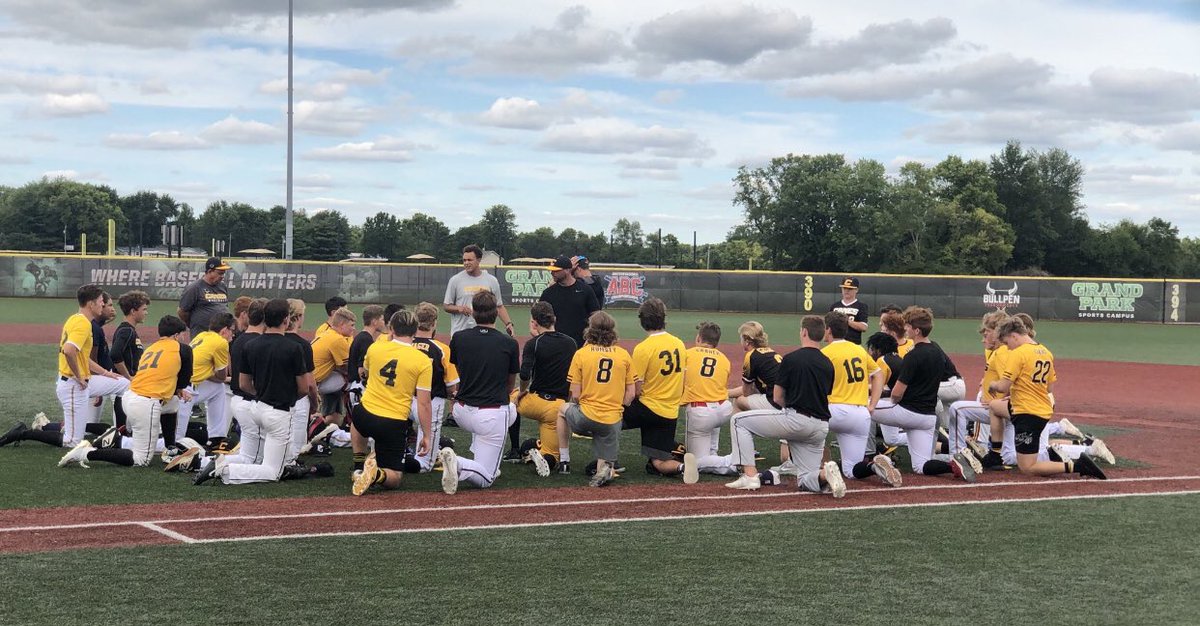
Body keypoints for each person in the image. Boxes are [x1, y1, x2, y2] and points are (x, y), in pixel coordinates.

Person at [725, 315, 844, 498]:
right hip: (821, 427)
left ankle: (749, 476)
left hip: (796, 420)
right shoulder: (828, 363)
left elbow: (778, 397)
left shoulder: (792, 359)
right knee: (805, 480)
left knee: (738, 421)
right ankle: (824, 474)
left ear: (804, 332)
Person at [0, 285, 131, 450]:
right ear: (91, 304)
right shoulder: (83, 323)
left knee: (124, 384)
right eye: (100, 302)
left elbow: (80, 355)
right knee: (73, 442)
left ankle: (125, 430)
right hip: (72, 385)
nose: (102, 305)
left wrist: (106, 373)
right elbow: (69, 350)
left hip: (80, 382)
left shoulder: (77, 319)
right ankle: (23, 433)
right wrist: (78, 375)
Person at [57, 315, 196, 469]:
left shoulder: (153, 347)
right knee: (140, 460)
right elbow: (184, 379)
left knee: (172, 403)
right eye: (183, 334)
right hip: (145, 403)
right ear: (176, 335)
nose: (184, 337)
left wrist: (177, 390)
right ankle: (86, 453)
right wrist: (180, 389)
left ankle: (170, 449)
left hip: (130, 397)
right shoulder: (183, 349)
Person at [195, 298, 308, 485]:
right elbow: (304, 387)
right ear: (286, 320)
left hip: (257, 407)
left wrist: (262, 395)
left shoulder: (250, 344)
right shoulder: (293, 347)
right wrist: (286, 398)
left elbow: (244, 383)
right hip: (279, 410)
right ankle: (223, 469)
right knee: (273, 471)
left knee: (255, 457)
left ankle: (208, 462)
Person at [986, 317, 1107, 479]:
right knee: (995, 406)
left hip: (1027, 413)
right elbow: (1049, 387)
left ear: (1014, 336)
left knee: (1027, 467)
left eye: (1007, 343)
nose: (1008, 348)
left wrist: (992, 385)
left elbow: (1002, 387)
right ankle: (994, 453)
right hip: (1040, 410)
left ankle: (1077, 465)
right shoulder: (1045, 352)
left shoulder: (1018, 353)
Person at [870, 307, 979, 482]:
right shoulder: (936, 349)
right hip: (927, 417)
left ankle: (863, 458)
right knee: (921, 466)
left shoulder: (913, 354)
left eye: (908, 326)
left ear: (917, 330)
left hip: (909, 412)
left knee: (863, 407)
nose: (905, 329)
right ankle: (953, 465)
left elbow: (897, 393)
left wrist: (885, 399)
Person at [439, 290, 521, 494]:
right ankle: (457, 463)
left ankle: (478, 455)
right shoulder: (509, 343)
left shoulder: (459, 337)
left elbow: (458, 371)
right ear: (496, 313)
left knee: (506, 413)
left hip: (462, 412)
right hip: (491, 415)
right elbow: (510, 385)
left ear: (474, 313)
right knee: (487, 478)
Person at [349, 308, 434, 496]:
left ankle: (358, 464)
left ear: (391, 328)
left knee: (357, 419)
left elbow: (367, 373)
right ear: (415, 331)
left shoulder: (375, 347)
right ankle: (376, 475)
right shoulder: (422, 361)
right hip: (392, 422)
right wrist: (427, 435)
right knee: (395, 477)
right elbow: (424, 403)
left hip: (364, 415)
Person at [821, 312, 900, 487]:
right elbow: (878, 374)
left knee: (806, 428)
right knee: (852, 470)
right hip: (860, 414)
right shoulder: (858, 350)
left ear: (828, 330)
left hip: (834, 411)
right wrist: (872, 404)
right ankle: (873, 467)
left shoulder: (825, 353)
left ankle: (817, 470)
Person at [557, 311, 635, 486]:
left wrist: (583, 405)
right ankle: (605, 469)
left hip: (586, 415)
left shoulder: (582, 354)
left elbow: (575, 395)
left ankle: (564, 461)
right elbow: (630, 394)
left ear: (590, 330)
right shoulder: (623, 354)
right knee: (604, 465)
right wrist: (615, 405)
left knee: (561, 410)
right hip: (612, 420)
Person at [624, 298, 687, 477]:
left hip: (647, 408)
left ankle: (606, 460)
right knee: (658, 463)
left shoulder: (643, 348)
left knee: (607, 414)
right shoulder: (679, 343)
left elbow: (636, 390)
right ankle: (681, 467)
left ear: (643, 321)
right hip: (669, 413)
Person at [515, 301, 577, 475]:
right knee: (553, 457)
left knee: (508, 402)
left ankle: (514, 449)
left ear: (534, 322)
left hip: (534, 402)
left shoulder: (533, 343)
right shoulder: (571, 343)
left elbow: (525, 375)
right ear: (554, 319)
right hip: (557, 408)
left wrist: (521, 392)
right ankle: (544, 455)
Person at [679, 321, 737, 483]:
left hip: (701, 413)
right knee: (710, 453)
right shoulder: (724, 359)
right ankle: (715, 457)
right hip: (723, 409)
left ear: (699, 338)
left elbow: (681, 380)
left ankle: (735, 461)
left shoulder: (688, 354)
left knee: (694, 462)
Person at [410, 302, 460, 473]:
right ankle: (416, 462)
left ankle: (394, 457)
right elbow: (452, 386)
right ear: (434, 323)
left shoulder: (404, 345)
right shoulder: (442, 349)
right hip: (431, 403)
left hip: (401, 400)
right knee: (425, 464)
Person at [176, 312, 235, 449]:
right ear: (224, 330)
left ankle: (216, 437)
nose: (233, 334)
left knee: (218, 389)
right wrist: (225, 378)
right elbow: (221, 377)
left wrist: (212, 374)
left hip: (187, 384)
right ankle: (123, 442)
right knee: (174, 443)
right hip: (183, 389)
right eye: (232, 331)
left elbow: (203, 369)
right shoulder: (220, 342)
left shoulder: (202, 335)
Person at [308, 306, 356, 450]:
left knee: (333, 416)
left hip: (311, 379)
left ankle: (328, 420)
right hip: (314, 384)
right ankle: (352, 421)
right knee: (353, 384)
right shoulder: (337, 339)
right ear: (342, 324)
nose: (354, 328)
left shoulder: (327, 333)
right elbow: (347, 367)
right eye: (351, 325)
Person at [226, 298, 267, 460]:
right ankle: (203, 462)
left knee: (250, 454)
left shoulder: (239, 339)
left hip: (238, 400)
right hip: (249, 402)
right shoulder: (257, 342)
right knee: (253, 459)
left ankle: (205, 462)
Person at [443, 244, 514, 336]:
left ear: (479, 260)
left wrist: (508, 324)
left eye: (470, 260)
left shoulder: (491, 280)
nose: (466, 263)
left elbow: (499, 306)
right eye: (464, 260)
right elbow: (446, 306)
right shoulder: (455, 280)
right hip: (461, 333)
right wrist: (459, 308)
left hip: (485, 334)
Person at [284, 299, 321, 467]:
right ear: (298, 317)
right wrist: (315, 402)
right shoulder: (303, 345)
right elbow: (310, 384)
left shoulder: (272, 339)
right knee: (296, 452)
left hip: (272, 398)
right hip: (298, 400)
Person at [110, 290, 150, 434]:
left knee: (126, 429)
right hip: (125, 386)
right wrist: (128, 376)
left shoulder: (129, 330)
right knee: (122, 429)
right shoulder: (126, 331)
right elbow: (114, 354)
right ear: (133, 311)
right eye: (144, 309)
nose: (146, 313)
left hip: (128, 386)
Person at [539, 255, 600, 348]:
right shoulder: (548, 293)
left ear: (567, 270)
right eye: (552, 270)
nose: (552, 273)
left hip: (581, 343)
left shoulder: (585, 289)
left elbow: (596, 314)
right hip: (556, 345)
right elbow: (538, 316)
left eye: (556, 270)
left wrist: (591, 337)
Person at [177, 257, 231, 337]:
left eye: (223, 273)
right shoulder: (194, 288)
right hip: (201, 334)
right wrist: (194, 324)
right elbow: (182, 311)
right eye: (220, 273)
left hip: (222, 334)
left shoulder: (222, 286)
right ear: (210, 271)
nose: (222, 276)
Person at [829, 277, 868, 345]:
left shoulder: (861, 306)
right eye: (844, 288)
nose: (846, 291)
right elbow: (828, 327)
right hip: (836, 344)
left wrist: (846, 320)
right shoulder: (834, 306)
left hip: (853, 344)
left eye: (850, 289)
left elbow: (863, 327)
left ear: (856, 290)